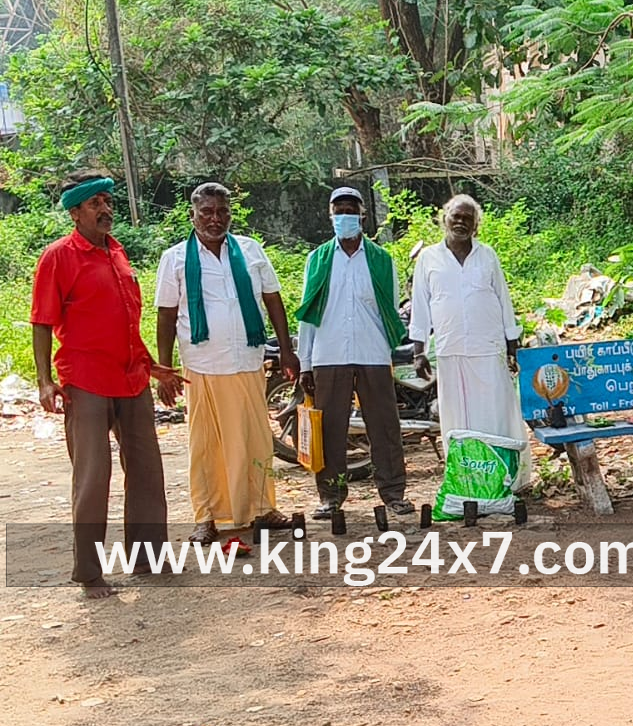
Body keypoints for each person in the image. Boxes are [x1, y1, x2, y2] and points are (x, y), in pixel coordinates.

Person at [30, 174, 182, 598]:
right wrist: (45, 382)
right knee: (94, 476)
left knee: (148, 470)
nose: (105, 209)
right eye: (94, 203)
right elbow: (42, 322)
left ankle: (149, 557)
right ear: (75, 212)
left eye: (107, 201)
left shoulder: (117, 252)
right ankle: (89, 572)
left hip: (131, 379)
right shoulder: (58, 257)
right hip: (86, 380)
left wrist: (154, 368)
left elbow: (126, 323)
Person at [154, 183, 300, 544]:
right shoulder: (174, 258)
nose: (215, 219)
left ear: (230, 214)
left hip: (247, 360)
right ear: (193, 215)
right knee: (206, 445)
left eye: (222, 212)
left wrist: (285, 348)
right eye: (206, 212)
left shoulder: (250, 250)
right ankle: (207, 517)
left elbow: (272, 299)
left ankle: (263, 509)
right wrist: (164, 368)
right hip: (201, 365)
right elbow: (166, 315)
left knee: (255, 440)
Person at [297, 187, 413, 520]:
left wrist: (390, 349)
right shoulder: (317, 260)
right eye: (339, 210)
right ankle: (331, 496)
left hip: (373, 353)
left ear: (362, 214)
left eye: (351, 210)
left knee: (385, 427)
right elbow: (308, 313)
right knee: (331, 429)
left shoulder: (380, 259)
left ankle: (393, 493)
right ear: (330, 215)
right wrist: (305, 362)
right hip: (328, 353)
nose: (345, 216)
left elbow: (390, 309)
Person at [410, 194, 531, 490]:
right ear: (444, 219)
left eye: (467, 218)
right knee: (458, 419)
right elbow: (420, 306)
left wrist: (512, 342)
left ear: (476, 225)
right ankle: (466, 482)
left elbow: (503, 299)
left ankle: (507, 480)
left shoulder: (487, 255)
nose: (461, 222)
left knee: (497, 413)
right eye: (456, 216)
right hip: (450, 351)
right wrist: (418, 351)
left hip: (488, 349)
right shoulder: (428, 258)